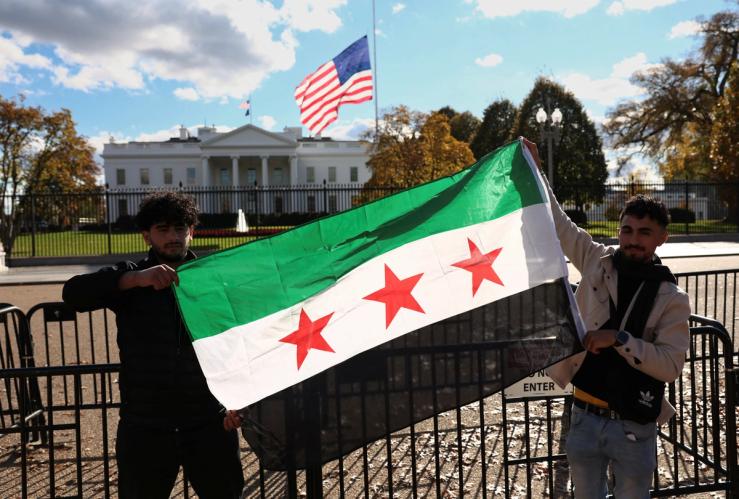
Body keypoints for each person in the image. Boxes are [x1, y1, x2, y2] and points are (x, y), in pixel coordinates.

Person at [524, 143, 691, 498]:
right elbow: (559, 224)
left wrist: (620, 338)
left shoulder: (672, 299)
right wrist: (536, 172)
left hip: (633, 426)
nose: (632, 240)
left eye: (644, 232)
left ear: (662, 238)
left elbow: (670, 366)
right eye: (627, 230)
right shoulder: (597, 261)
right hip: (583, 416)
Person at [63, 192, 244, 499]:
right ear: (146, 234)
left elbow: (240, 343)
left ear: (192, 231)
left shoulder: (215, 280)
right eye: (163, 229)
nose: (173, 236)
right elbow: (73, 294)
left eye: (180, 228)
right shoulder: (132, 278)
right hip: (145, 426)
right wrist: (134, 279)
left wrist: (239, 400)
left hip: (209, 422)